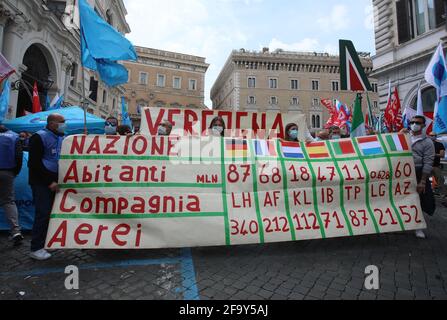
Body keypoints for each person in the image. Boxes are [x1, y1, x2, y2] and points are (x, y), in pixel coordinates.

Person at [28, 114, 66, 260]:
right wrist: (49, 182)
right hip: (41, 183)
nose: (64, 124)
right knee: (42, 214)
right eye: (62, 122)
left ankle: (47, 242)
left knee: (51, 214)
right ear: (52, 124)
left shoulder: (62, 137)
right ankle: (36, 247)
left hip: (54, 181)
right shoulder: (38, 137)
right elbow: (34, 164)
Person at [401, 116, 436, 239]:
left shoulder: (427, 142)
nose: (414, 124)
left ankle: (418, 227)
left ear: (423, 125)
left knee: (418, 199)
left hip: (418, 172)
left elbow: (428, 161)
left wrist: (422, 181)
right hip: (401, 172)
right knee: (402, 198)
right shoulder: (404, 136)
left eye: (418, 123)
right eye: (412, 122)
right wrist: (398, 135)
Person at [0, 125, 24, 245]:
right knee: (9, 201)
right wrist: (15, 172)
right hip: (7, 172)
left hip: (7, 171)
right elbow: (19, 156)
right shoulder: (14, 136)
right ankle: (15, 231)